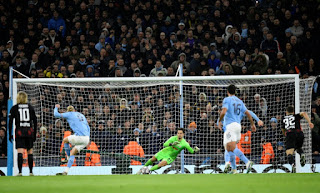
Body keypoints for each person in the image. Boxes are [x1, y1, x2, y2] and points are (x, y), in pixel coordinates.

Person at [217, 85, 256, 174]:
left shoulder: (227, 99)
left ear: (227, 91)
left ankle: (247, 162)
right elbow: (248, 113)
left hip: (230, 126)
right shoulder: (240, 101)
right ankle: (234, 169)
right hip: (238, 126)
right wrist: (252, 124)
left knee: (230, 147)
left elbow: (223, 111)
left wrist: (219, 121)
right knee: (230, 148)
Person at [54, 104, 90, 175]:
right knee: (73, 152)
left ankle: (67, 157)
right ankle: (66, 171)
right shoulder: (81, 115)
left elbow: (56, 114)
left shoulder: (69, 114)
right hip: (86, 138)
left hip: (80, 137)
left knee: (65, 140)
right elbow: (88, 127)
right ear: (74, 110)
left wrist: (56, 107)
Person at [8, 91, 37, 176]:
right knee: (30, 151)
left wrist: (10, 134)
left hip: (20, 131)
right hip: (29, 131)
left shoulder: (14, 108)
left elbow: (10, 122)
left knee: (20, 152)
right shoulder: (30, 107)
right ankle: (31, 172)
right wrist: (34, 133)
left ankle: (20, 172)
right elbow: (35, 121)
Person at [282, 105, 314, 173]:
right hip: (300, 133)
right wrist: (309, 122)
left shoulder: (284, 119)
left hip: (290, 133)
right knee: (298, 148)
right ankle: (302, 154)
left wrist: (285, 135)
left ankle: (293, 165)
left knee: (289, 152)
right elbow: (304, 113)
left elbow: (283, 129)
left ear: (286, 112)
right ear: (293, 112)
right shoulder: (296, 116)